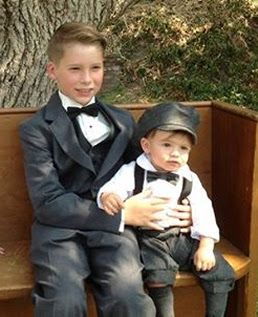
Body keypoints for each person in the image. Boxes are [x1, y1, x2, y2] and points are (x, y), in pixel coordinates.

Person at [19, 22, 192, 317]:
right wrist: (125, 214)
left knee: (128, 298)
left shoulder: (123, 121)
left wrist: (182, 207)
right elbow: (47, 203)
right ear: (52, 71)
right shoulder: (36, 130)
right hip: (60, 232)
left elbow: (151, 170)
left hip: (115, 233)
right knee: (63, 302)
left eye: (95, 68)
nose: (87, 79)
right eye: (75, 69)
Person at [98, 102, 235, 317]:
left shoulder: (188, 178)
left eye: (183, 148)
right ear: (146, 145)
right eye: (167, 145)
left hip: (183, 238)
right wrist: (110, 196)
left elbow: (203, 208)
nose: (175, 154)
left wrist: (206, 246)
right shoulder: (132, 171)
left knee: (218, 271)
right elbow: (112, 188)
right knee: (158, 276)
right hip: (151, 239)